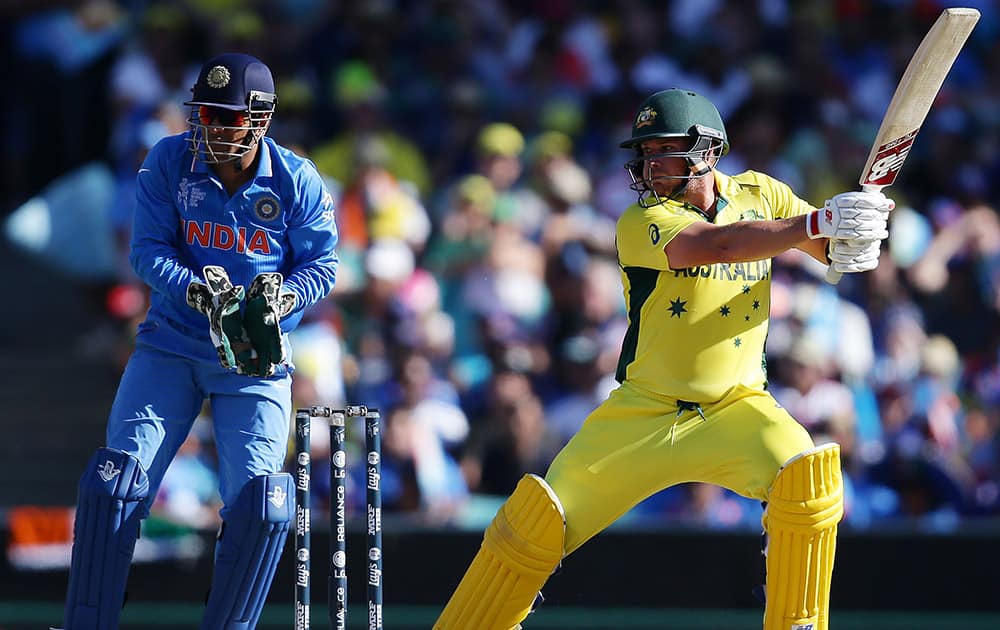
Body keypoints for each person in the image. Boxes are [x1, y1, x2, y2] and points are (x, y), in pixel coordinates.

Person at [434, 88, 892, 630]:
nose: (651, 166)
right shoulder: (641, 221)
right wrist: (818, 224)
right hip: (642, 412)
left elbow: (827, 248)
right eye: (645, 154)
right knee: (533, 523)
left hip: (737, 408)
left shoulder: (763, 194)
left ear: (707, 152)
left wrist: (855, 233)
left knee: (807, 479)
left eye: (664, 151)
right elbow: (717, 245)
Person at [61, 53, 338, 630]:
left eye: (227, 117)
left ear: (260, 119)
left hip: (253, 360)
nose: (212, 127)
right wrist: (198, 293)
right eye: (205, 114)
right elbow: (147, 251)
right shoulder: (169, 159)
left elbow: (323, 264)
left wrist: (283, 297)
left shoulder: (295, 180)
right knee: (117, 483)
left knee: (261, 505)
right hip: (173, 343)